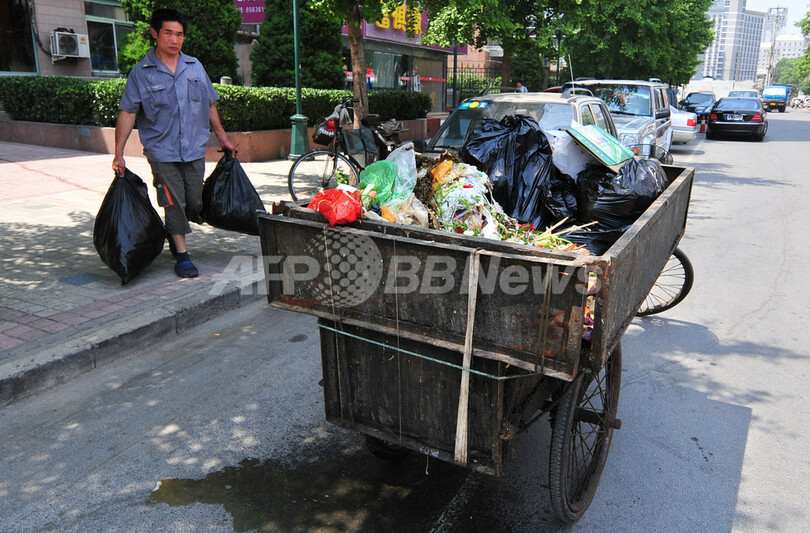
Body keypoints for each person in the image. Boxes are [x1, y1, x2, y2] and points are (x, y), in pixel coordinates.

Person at [112, 8, 235, 279]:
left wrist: (223, 137)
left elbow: (209, 105)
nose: (174, 40)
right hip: (161, 152)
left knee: (193, 202)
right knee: (174, 202)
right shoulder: (141, 74)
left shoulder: (194, 67)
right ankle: (182, 254)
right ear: (155, 33)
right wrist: (118, 154)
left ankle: (173, 230)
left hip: (193, 148)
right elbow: (128, 114)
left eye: (179, 34)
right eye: (168, 33)